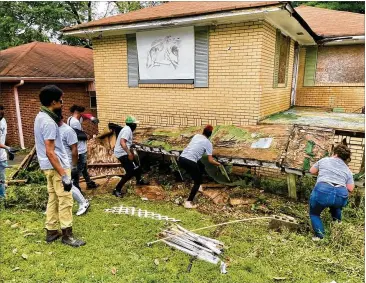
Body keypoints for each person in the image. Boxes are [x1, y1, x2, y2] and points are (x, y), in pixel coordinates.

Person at [34, 85, 85, 247]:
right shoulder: (49, 122)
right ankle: (67, 236)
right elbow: (50, 152)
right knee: (66, 200)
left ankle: (51, 231)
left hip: (47, 167)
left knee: (53, 198)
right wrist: (64, 175)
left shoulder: (40, 116)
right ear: (54, 102)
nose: (63, 104)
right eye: (61, 101)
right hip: (57, 167)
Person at [309, 144, 354, 240]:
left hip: (323, 191)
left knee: (314, 214)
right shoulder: (348, 170)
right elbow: (350, 188)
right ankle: (338, 229)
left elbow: (312, 171)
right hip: (341, 195)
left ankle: (320, 237)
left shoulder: (325, 160)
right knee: (336, 207)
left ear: (335, 153)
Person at [178, 125, 221, 209]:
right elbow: (210, 160)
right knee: (197, 181)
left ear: (203, 131)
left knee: (200, 165)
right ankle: (188, 202)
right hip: (190, 161)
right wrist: (219, 164)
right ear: (210, 134)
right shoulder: (208, 143)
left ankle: (198, 185)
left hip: (181, 158)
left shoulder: (196, 136)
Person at [58, 117, 90, 216]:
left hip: (66, 163)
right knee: (57, 185)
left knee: (67, 184)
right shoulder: (54, 130)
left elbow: (74, 150)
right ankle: (53, 208)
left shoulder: (67, 130)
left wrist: (74, 166)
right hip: (58, 162)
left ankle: (83, 202)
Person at [112, 116, 148, 198]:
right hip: (122, 153)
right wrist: (129, 153)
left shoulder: (127, 129)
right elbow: (122, 142)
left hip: (123, 152)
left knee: (137, 166)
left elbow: (126, 141)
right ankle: (116, 190)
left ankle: (139, 180)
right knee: (130, 172)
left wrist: (132, 143)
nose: (136, 126)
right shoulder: (127, 130)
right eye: (135, 124)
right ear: (132, 124)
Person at [67, 105, 98, 190]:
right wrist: (86, 136)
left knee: (84, 168)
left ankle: (89, 183)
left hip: (81, 148)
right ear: (77, 112)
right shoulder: (74, 123)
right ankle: (76, 188)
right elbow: (75, 135)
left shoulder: (71, 118)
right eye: (80, 113)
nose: (82, 115)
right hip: (79, 150)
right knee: (78, 170)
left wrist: (91, 118)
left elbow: (85, 116)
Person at [0, 105, 18, 198]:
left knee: (2, 179)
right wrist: (7, 148)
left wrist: (8, 150)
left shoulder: (3, 121)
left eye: (3, 113)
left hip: (1, 156)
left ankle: (2, 198)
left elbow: (3, 137)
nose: (2, 115)